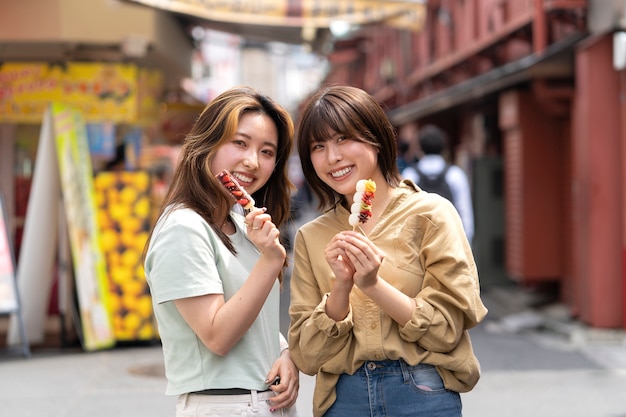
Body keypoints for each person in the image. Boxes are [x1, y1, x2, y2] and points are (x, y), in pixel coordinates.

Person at [288, 85, 487, 417]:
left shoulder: (430, 214)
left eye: (342, 139)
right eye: (317, 146)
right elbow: (307, 355)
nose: (332, 157)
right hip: (343, 397)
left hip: (421, 391)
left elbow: (447, 330)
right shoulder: (312, 235)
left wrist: (372, 285)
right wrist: (341, 288)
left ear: (375, 138)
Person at [144, 86, 300, 417]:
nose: (252, 161)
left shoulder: (240, 223)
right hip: (223, 405)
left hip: (268, 403)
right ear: (207, 144)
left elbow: (255, 318)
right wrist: (272, 261)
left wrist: (284, 352)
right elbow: (217, 336)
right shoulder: (183, 228)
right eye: (239, 143)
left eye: (267, 151)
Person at [402, 124, 475, 243]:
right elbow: (465, 214)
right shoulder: (455, 175)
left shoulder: (410, 175)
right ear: (443, 148)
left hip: (418, 245)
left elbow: (404, 214)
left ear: (420, 147)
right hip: (449, 243)